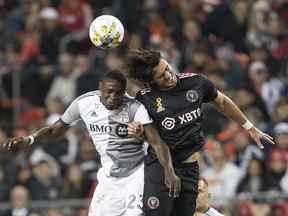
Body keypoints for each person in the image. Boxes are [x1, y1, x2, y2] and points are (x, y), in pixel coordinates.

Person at [3, 70, 181, 216]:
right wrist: (29, 140)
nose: (113, 97)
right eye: (108, 92)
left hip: (137, 175)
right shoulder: (84, 104)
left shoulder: (135, 108)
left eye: (118, 93)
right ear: (100, 89)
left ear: (124, 91)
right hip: (109, 178)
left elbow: (157, 143)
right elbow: (54, 130)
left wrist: (169, 171)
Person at [125, 49, 274, 216]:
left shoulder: (196, 82)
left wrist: (249, 127)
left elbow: (223, 102)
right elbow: (143, 133)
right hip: (160, 167)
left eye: (167, 68)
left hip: (189, 167)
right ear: (150, 82)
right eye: (161, 76)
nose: (168, 75)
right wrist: (137, 133)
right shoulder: (145, 98)